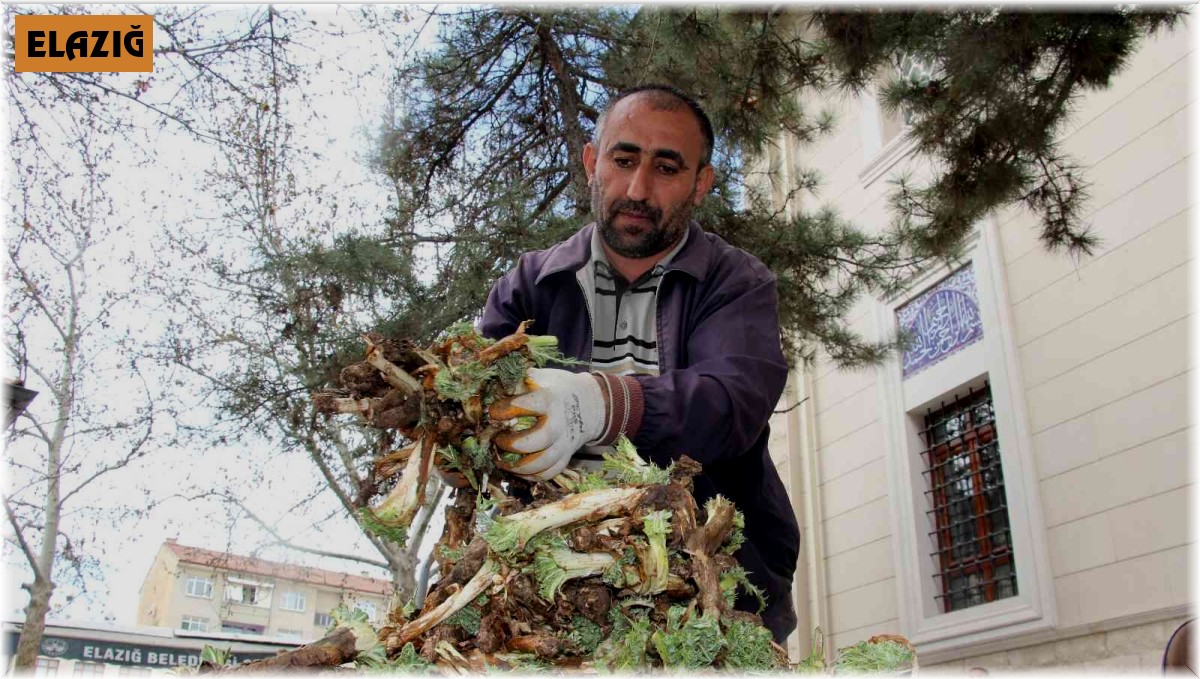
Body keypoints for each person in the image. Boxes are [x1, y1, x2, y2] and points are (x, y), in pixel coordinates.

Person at [479, 84, 800, 645]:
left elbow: (730, 404)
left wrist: (603, 404)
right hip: (545, 591)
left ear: (701, 182)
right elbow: (479, 409)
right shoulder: (530, 285)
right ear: (591, 162)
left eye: (667, 168)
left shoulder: (737, 283)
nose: (637, 188)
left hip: (715, 590)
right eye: (622, 159)